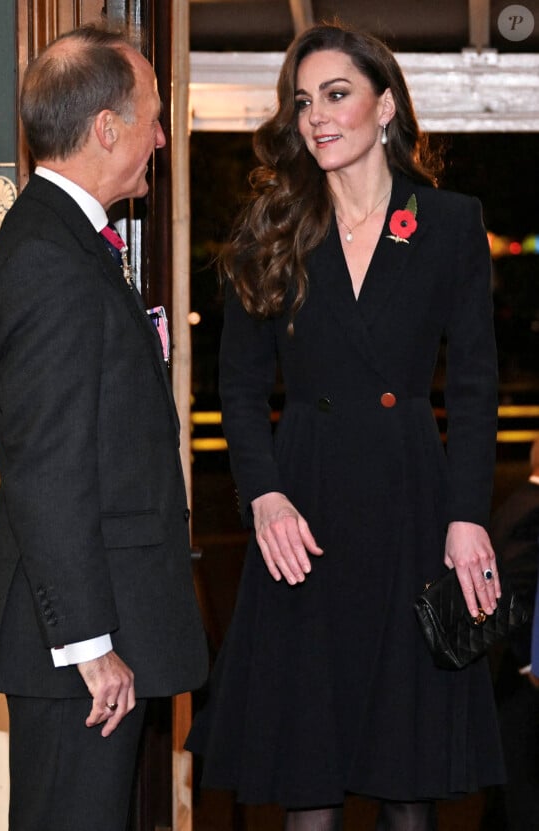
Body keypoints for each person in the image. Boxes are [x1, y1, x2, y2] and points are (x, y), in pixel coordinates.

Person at [186, 22, 505, 831]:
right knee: (310, 785)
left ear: (385, 105)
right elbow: (241, 384)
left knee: (408, 785)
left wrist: (468, 515)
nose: (317, 116)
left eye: (337, 94)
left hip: (412, 505)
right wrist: (263, 496)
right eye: (303, 102)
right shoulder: (273, 228)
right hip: (307, 510)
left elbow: (473, 385)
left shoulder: (449, 223)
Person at [0, 25, 208, 831]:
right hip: (75, 648)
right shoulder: (49, 258)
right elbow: (49, 468)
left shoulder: (66, 240)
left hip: (90, 635)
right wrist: (90, 647)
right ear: (106, 127)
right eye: (152, 116)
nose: (161, 136)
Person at [481, 439, 539, 830]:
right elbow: (515, 592)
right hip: (524, 682)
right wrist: (530, 661)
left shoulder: (517, 502)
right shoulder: (533, 512)